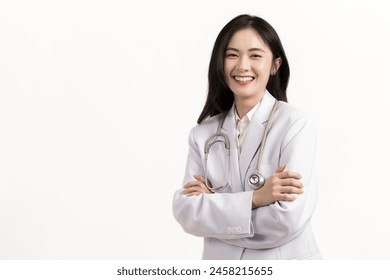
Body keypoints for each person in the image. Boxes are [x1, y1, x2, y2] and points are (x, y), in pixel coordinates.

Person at [172, 14, 321, 260]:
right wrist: (257, 198)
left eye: (255, 55)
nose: (242, 66)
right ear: (220, 63)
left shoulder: (296, 124)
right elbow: (187, 213)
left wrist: (215, 209)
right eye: (232, 55)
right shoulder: (202, 134)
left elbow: (286, 220)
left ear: (275, 65)